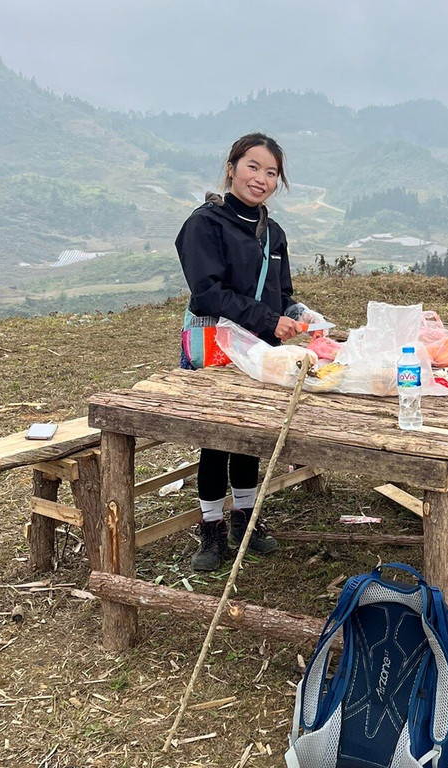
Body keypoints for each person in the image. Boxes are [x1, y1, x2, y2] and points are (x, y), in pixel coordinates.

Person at [176, 132, 328, 572]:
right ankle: (211, 530)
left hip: (258, 348)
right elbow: (207, 293)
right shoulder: (205, 224)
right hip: (214, 346)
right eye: (253, 167)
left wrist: (301, 314)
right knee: (215, 437)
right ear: (231, 167)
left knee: (250, 434)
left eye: (271, 172)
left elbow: (281, 294)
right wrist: (267, 320)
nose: (261, 179)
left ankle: (245, 519)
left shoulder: (271, 232)